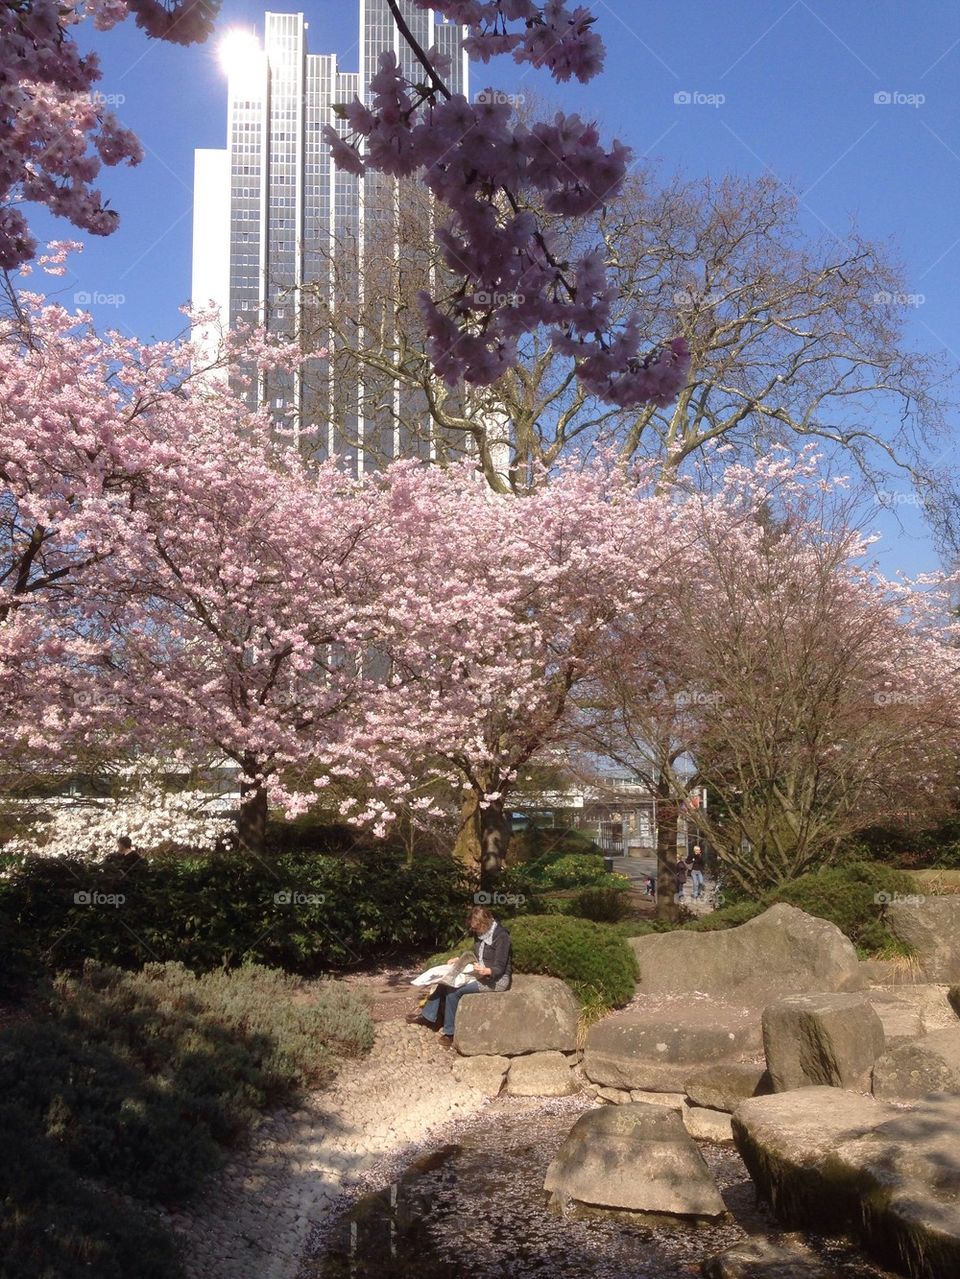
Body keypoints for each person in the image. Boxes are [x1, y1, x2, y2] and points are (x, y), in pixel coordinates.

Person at [408, 905, 512, 1045]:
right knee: (445, 980)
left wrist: (487, 971)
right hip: (479, 972)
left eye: (476, 928)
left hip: (496, 979)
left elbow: (499, 967)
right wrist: (460, 960)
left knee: (454, 990)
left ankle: (450, 1033)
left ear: (485, 923)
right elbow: (477, 954)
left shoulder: (501, 936)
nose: (474, 931)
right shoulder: (481, 933)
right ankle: (429, 1017)